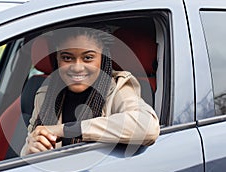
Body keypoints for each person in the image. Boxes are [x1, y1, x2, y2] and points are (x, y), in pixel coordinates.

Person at [20, 26, 160, 156]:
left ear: (102, 58)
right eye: (67, 58)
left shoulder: (117, 88)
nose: (77, 68)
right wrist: (28, 149)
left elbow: (147, 126)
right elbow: (29, 144)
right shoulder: (45, 94)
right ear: (57, 58)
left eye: (88, 58)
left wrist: (66, 130)